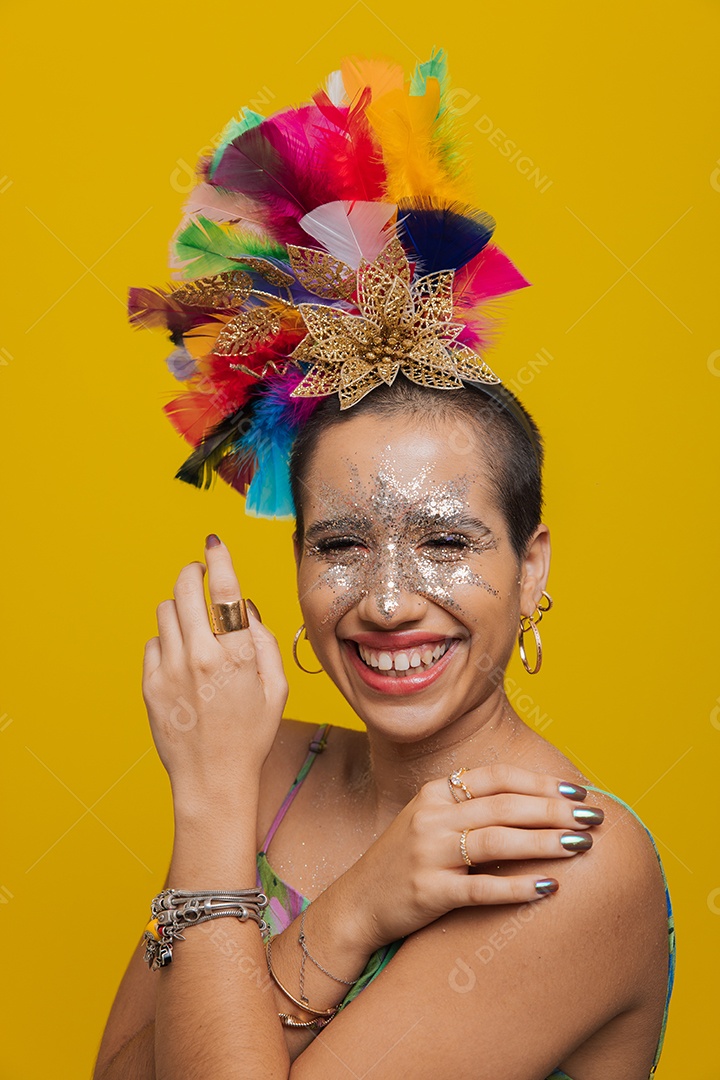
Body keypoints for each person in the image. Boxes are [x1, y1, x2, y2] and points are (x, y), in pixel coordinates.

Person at [95, 52, 674, 1079]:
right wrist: (354, 907)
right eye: (343, 544)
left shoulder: (560, 858)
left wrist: (211, 805)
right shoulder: (271, 771)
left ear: (532, 565)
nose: (390, 600)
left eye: (447, 541)